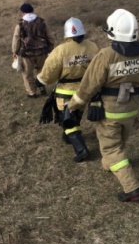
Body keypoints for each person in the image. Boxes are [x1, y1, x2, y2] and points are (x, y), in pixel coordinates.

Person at [67, 9, 139, 202]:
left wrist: (74, 105)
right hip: (131, 109)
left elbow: (89, 85)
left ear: (113, 32)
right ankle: (110, 164)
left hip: (109, 111)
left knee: (111, 148)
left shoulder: (106, 55)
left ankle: (131, 187)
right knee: (118, 142)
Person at [36, 17, 99, 162]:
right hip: (85, 91)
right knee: (75, 116)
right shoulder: (93, 47)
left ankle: (81, 150)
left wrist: (40, 80)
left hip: (65, 93)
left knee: (69, 120)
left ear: (66, 34)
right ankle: (68, 136)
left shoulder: (61, 50)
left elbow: (50, 70)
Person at [12, 1, 55, 98]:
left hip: (27, 53)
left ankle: (32, 92)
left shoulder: (20, 24)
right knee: (41, 70)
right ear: (32, 10)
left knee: (27, 74)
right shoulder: (42, 21)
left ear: (22, 12)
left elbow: (16, 39)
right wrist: (50, 47)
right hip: (42, 51)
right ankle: (42, 86)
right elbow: (50, 36)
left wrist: (15, 52)